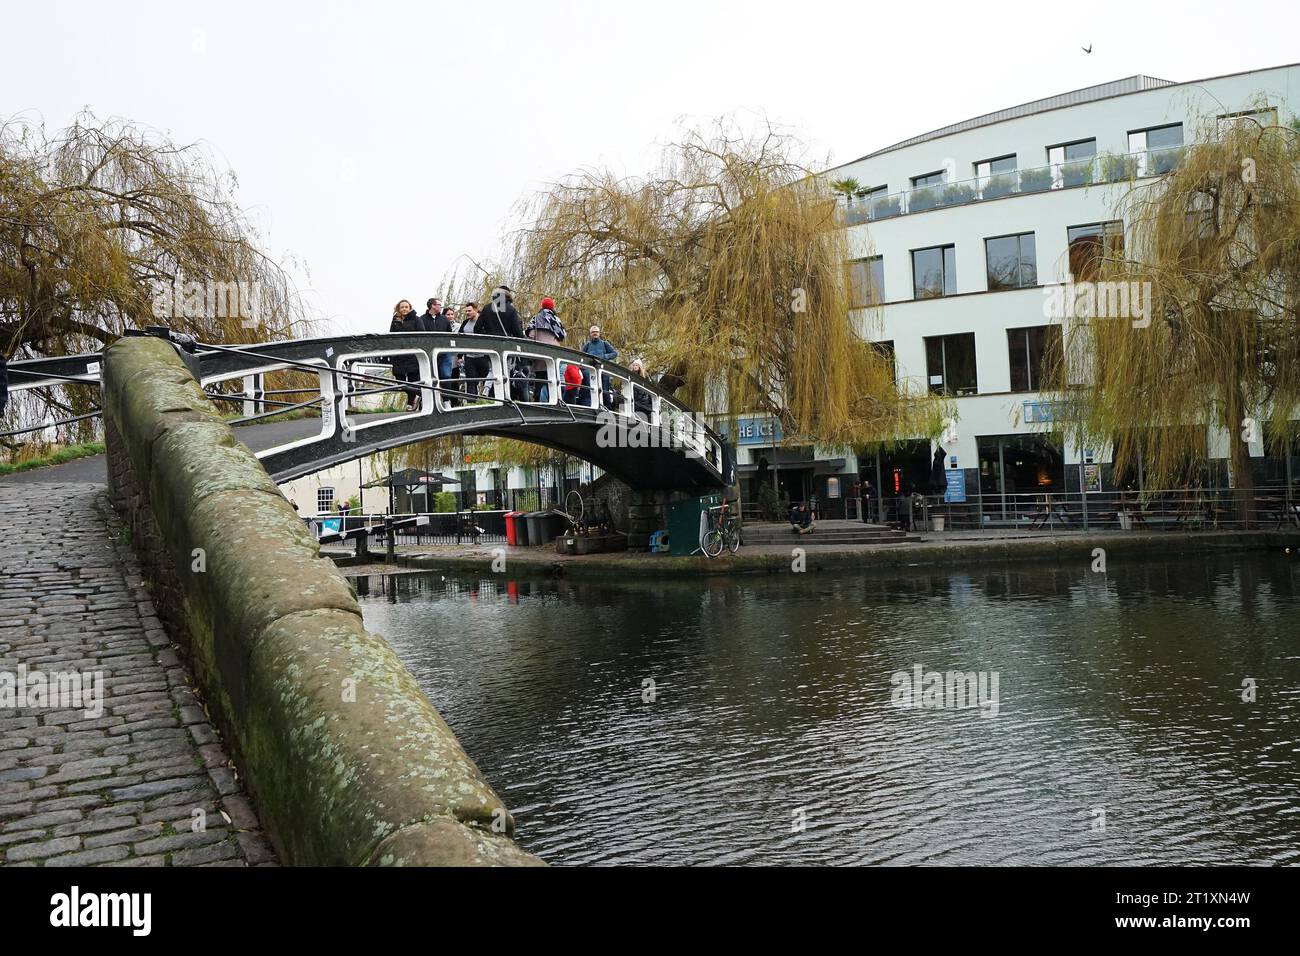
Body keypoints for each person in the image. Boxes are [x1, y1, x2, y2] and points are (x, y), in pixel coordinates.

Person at [525, 297, 566, 401]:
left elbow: (530, 334)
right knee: (552, 381)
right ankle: (554, 402)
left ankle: (539, 402)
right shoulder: (556, 319)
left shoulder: (537, 317)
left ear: (542, 306)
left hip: (541, 353)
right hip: (554, 354)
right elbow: (562, 335)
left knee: (540, 381)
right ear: (552, 307)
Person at [388, 299, 423, 410]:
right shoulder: (395, 321)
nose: (404, 309)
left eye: (406, 307)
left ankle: (410, 403)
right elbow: (391, 336)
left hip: (412, 354)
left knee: (413, 379)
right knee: (400, 380)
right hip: (399, 355)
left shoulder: (416, 319)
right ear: (398, 308)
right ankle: (418, 394)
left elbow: (422, 334)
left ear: (410, 308)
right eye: (402, 307)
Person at [582, 325, 618, 409]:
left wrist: (605, 357)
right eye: (593, 332)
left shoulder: (604, 344)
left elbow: (615, 353)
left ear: (599, 333)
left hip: (603, 371)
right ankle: (593, 407)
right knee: (591, 390)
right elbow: (581, 356)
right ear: (590, 334)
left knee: (605, 391)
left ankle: (607, 409)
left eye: (596, 332)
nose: (595, 333)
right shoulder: (587, 345)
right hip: (591, 372)